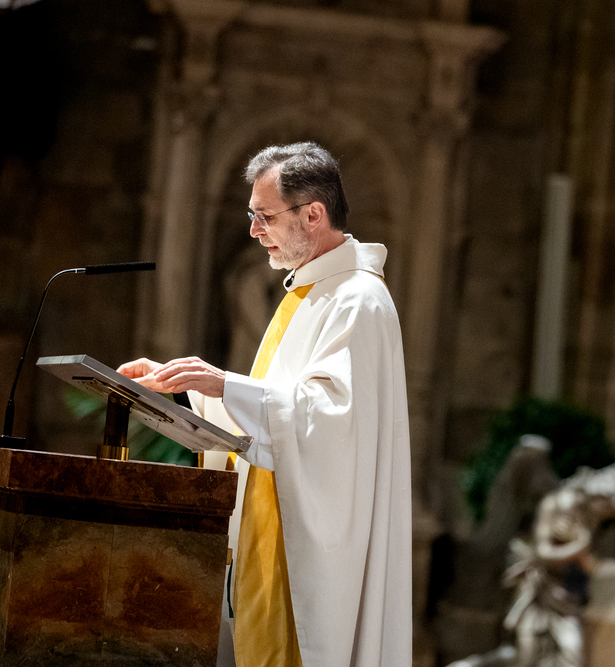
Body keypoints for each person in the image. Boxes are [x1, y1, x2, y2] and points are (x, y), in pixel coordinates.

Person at [119, 142, 412, 667]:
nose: (254, 231)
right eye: (252, 215)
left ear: (314, 214)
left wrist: (224, 384)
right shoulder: (308, 294)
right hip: (267, 526)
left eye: (265, 216)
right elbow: (271, 415)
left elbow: (329, 425)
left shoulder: (357, 300)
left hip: (307, 552)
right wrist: (181, 389)